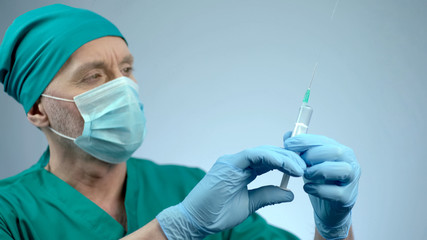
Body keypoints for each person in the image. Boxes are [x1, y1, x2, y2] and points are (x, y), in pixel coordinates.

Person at [0, 4, 360, 240]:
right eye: (94, 77)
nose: (124, 89)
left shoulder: (190, 187)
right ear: (37, 109)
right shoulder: (10, 212)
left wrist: (333, 230)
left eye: (126, 70)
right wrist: (176, 228)